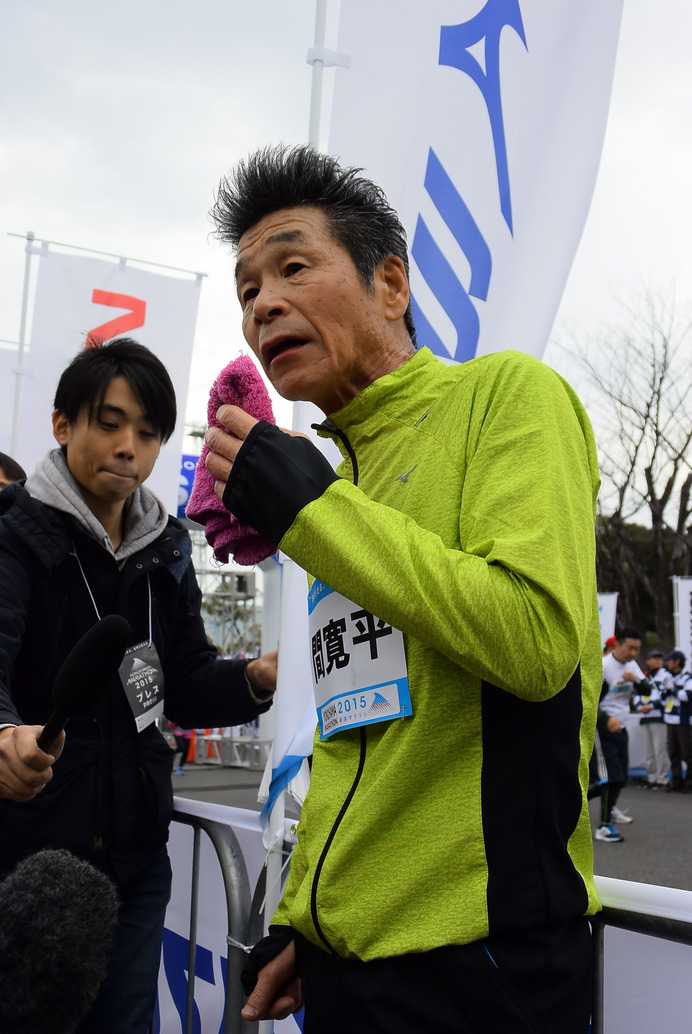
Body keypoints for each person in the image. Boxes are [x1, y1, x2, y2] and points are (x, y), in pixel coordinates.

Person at [204, 145, 602, 1034]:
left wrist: (313, 508)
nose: (263, 303)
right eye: (246, 291)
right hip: (346, 974)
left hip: (488, 968)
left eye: (293, 267)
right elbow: (355, 736)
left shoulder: (509, 397)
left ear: (392, 285)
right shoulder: (340, 481)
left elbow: (536, 644)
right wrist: (305, 918)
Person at [0, 337, 278, 1034]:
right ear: (63, 426)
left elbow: (181, 683)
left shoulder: (169, 550)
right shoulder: (14, 537)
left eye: (149, 432)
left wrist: (254, 678)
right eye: (110, 422)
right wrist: (6, 739)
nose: (130, 447)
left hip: (134, 860)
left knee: (126, 1023)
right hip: (26, 854)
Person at [633, 649, 671, 789]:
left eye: (660, 658)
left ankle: (662, 779)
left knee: (659, 750)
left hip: (658, 717)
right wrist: (639, 707)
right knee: (648, 751)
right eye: (654, 658)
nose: (658, 661)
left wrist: (652, 706)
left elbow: (666, 695)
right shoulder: (644, 677)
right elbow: (637, 695)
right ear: (648, 661)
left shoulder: (666, 676)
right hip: (644, 717)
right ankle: (652, 777)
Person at [662, 649, 692, 792]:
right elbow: (662, 697)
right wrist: (665, 690)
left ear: (677, 662)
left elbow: (686, 696)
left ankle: (690, 783)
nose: (667, 663)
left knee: (687, 753)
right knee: (673, 753)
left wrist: (672, 689)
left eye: (670, 661)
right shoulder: (668, 677)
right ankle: (676, 781)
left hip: (683, 721)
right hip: (670, 719)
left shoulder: (687, 678)